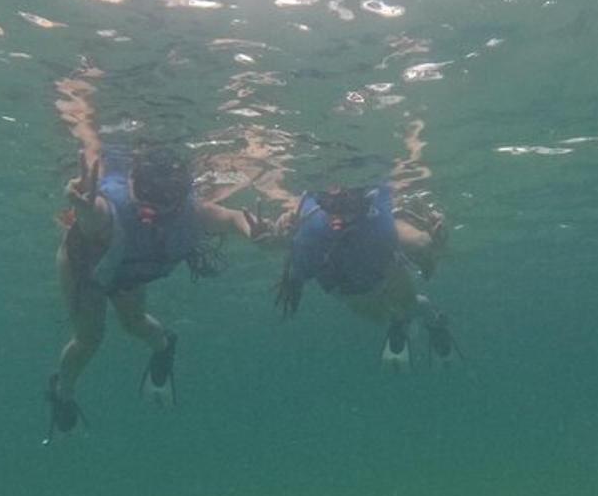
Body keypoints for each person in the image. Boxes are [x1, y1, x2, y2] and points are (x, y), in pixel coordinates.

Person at [46, 62, 271, 439]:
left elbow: (232, 218)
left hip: (133, 268)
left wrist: (254, 231)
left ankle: (165, 345)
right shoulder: (111, 203)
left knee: (136, 323)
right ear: (132, 182)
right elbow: (96, 218)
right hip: (89, 266)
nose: (152, 209)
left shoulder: (191, 212)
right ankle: (62, 391)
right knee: (90, 337)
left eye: (165, 200)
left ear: (180, 197)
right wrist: (84, 206)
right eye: (146, 197)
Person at [272, 120, 459, 369]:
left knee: (409, 301)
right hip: (351, 285)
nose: (340, 216)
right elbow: (294, 263)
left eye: (347, 205)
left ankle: (431, 321)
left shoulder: (375, 214)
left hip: (379, 268)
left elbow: (423, 251)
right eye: (331, 206)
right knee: (387, 315)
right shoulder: (312, 230)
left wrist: (433, 246)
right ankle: (406, 320)